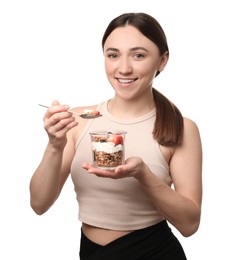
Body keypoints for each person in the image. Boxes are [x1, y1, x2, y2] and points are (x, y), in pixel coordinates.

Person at [30, 12, 202, 260]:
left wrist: (143, 175)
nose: (124, 68)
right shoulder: (79, 120)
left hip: (154, 252)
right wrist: (54, 146)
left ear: (162, 61)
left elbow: (189, 224)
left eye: (138, 55)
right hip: (91, 253)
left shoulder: (181, 128)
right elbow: (38, 204)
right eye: (113, 55)